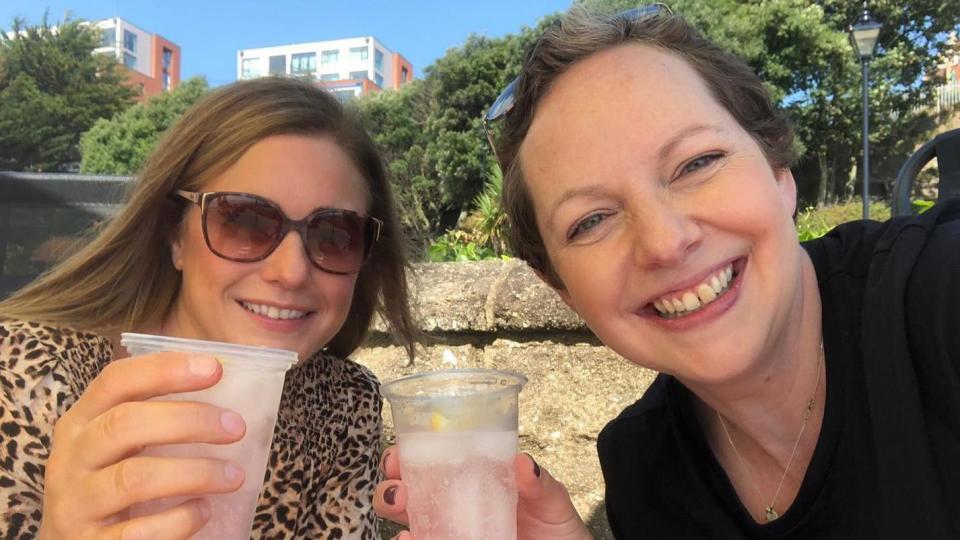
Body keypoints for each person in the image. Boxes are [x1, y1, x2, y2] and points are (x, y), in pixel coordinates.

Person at [375, 5, 960, 539]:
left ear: (780, 174)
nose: (664, 242)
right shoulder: (642, 469)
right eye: (592, 220)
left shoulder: (934, 295)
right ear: (565, 290)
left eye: (697, 163)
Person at [0, 76, 417, 539]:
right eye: (245, 221)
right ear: (174, 234)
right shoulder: (23, 376)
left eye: (335, 235)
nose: (292, 271)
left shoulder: (343, 401)